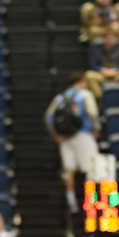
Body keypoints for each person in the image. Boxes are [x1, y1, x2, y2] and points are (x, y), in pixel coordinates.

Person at [44, 72, 100, 214]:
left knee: (69, 171)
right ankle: (91, 203)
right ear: (82, 82)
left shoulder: (60, 98)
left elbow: (48, 117)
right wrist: (96, 129)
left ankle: (72, 203)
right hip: (83, 134)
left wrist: (55, 134)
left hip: (65, 137)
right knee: (90, 169)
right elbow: (92, 113)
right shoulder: (85, 95)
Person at [84, 30, 119, 98]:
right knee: (88, 75)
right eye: (107, 38)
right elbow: (93, 65)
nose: (109, 40)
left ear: (115, 39)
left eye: (111, 38)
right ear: (103, 39)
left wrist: (116, 70)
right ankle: (100, 98)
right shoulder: (97, 50)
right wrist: (102, 70)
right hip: (102, 74)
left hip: (117, 74)